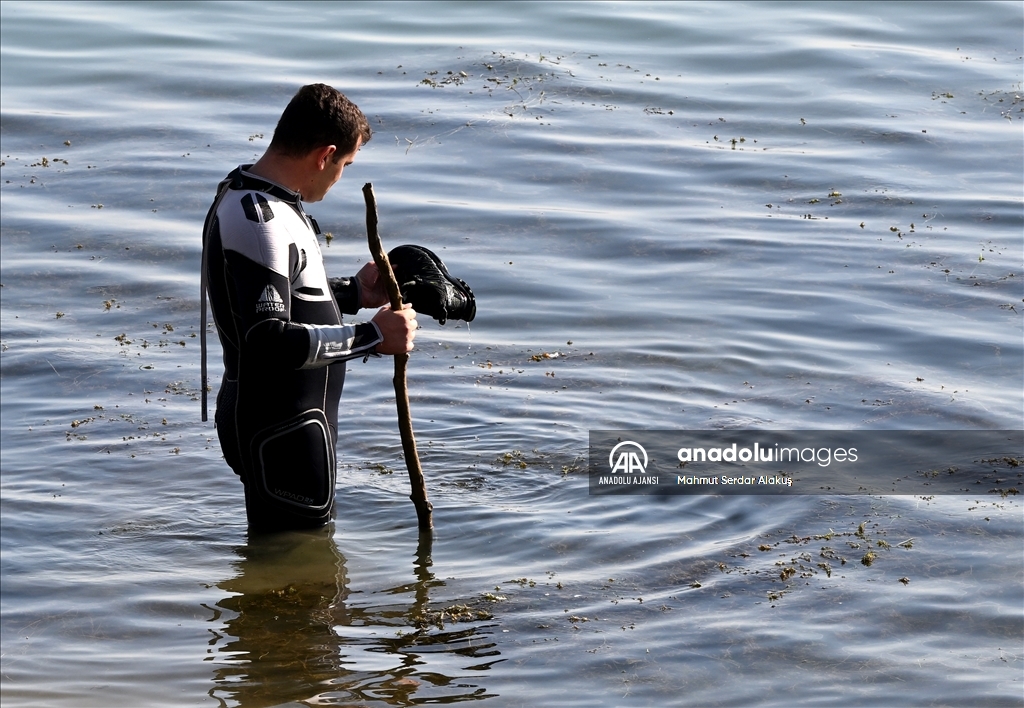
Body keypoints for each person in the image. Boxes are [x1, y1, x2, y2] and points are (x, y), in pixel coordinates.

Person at [201, 84, 417, 531]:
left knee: (295, 578)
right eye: (345, 165)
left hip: (286, 426)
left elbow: (276, 300)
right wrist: (372, 337)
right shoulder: (258, 218)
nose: (340, 178)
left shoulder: (258, 199)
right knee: (307, 581)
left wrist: (356, 294)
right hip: (282, 433)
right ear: (325, 155)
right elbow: (267, 340)